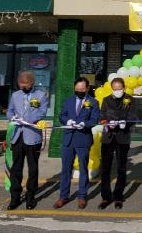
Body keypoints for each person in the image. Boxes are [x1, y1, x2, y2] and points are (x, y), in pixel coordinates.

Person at [53, 77, 100, 209]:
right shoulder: (69, 101)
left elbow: (95, 120)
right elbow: (62, 115)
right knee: (65, 169)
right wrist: (67, 121)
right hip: (68, 139)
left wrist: (84, 124)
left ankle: (82, 196)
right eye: (77, 89)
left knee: (83, 169)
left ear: (87, 88)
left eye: (82, 89)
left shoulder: (93, 102)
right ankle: (63, 196)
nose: (79, 91)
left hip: (83, 138)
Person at [6, 70, 49, 210]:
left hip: (33, 137)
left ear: (32, 83)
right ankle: (15, 197)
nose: (23, 86)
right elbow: (9, 111)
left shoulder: (41, 95)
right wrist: (13, 118)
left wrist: (26, 120)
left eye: (26, 84)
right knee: (16, 168)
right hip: (18, 136)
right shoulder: (15, 95)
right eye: (21, 84)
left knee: (33, 168)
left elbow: (42, 112)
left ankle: (31, 197)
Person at [98, 77, 136, 209]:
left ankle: (118, 196)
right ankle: (105, 197)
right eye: (115, 89)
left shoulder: (130, 100)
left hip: (122, 137)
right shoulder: (106, 100)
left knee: (121, 168)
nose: (117, 91)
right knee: (105, 168)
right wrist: (107, 123)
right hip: (108, 137)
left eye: (119, 88)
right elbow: (101, 116)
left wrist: (125, 123)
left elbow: (133, 117)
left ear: (123, 88)